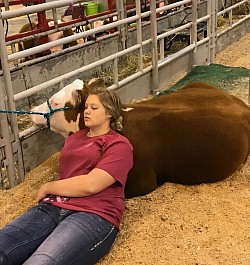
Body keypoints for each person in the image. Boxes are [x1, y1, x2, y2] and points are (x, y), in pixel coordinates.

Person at [0, 87, 133, 265]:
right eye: (86, 107)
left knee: (41, 262)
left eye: (94, 108)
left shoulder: (119, 145)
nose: (86, 111)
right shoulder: (75, 138)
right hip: (54, 205)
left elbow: (91, 184)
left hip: (94, 213)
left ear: (109, 112)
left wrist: (48, 187)